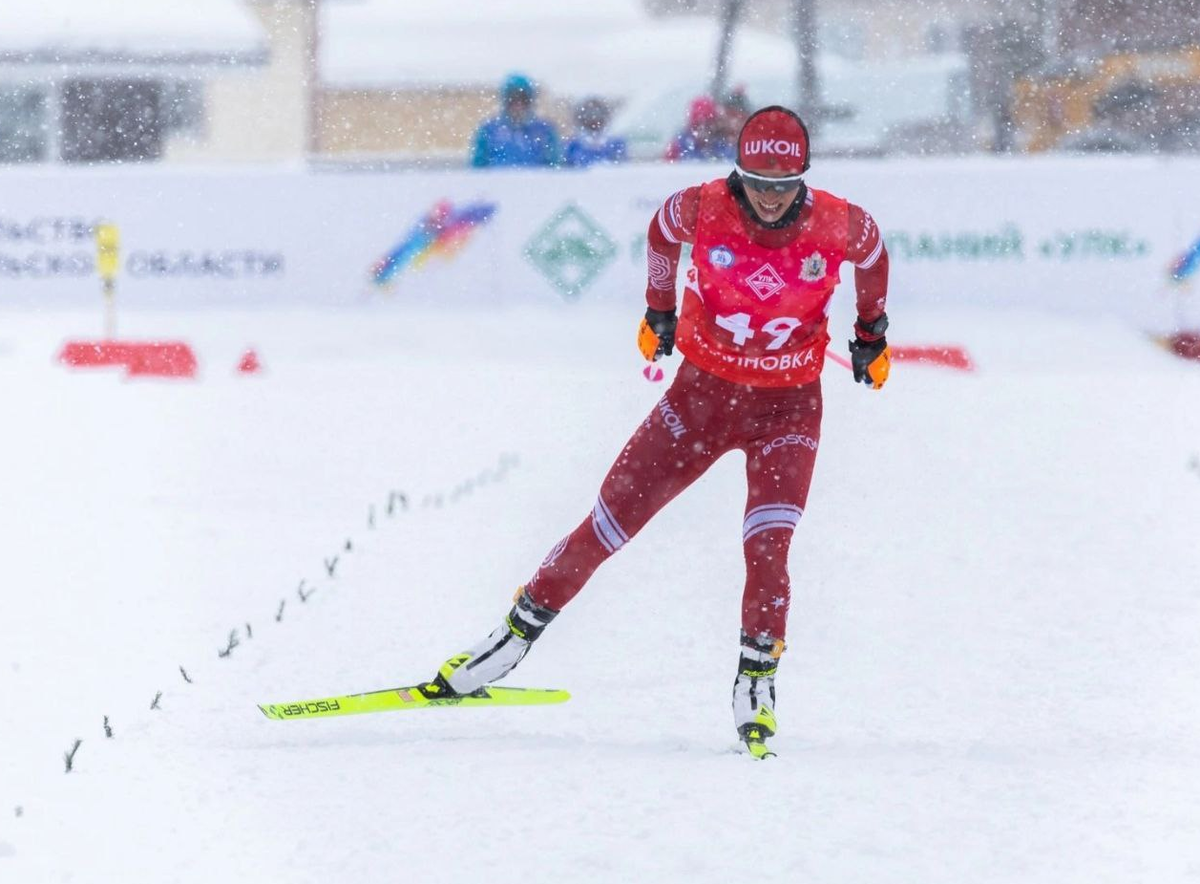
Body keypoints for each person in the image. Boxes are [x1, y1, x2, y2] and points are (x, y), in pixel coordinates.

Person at [429, 106, 891, 759]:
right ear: (738, 172)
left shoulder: (841, 222)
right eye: (757, 181)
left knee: (768, 546)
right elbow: (659, 234)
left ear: (803, 182)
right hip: (699, 401)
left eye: (783, 184)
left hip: (787, 410)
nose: (768, 196)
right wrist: (659, 309)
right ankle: (509, 641)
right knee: (607, 525)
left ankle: (756, 681)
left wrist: (872, 335)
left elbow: (873, 257)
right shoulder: (699, 207)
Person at [470, 73, 559, 168]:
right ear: (505, 101)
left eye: (523, 99)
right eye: (513, 99)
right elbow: (478, 166)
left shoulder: (544, 131)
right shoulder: (489, 130)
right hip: (497, 181)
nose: (518, 105)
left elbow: (554, 165)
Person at [664, 96, 737, 162]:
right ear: (690, 126)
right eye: (697, 125)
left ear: (715, 125)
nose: (702, 129)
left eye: (707, 125)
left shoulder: (724, 146)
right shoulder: (678, 146)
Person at [564, 96, 627, 168]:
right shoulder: (574, 144)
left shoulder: (616, 143)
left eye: (597, 114)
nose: (593, 118)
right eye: (589, 115)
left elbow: (620, 166)